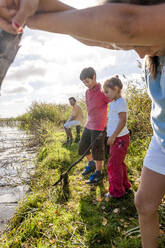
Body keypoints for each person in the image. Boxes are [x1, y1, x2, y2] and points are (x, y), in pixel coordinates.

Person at [0, 1, 165, 247]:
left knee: (107, 161)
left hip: (109, 132)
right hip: (160, 140)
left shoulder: (106, 85)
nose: (139, 54)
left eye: (138, 43)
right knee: (143, 203)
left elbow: (126, 26)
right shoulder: (152, 58)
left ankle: (103, 176)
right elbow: (99, 36)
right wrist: (36, 5)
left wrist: (23, 20)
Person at [79, 67, 110, 184]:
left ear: (94, 77)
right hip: (89, 124)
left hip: (99, 126)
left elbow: (112, 103)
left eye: (87, 81)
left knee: (97, 150)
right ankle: (91, 164)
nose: (86, 84)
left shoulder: (103, 91)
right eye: (83, 83)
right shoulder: (87, 92)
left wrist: (108, 123)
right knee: (82, 147)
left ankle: (98, 172)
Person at [103, 75, 131, 198]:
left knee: (113, 165)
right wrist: (107, 128)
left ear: (115, 89)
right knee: (119, 163)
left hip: (119, 139)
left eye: (107, 92)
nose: (105, 94)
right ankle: (124, 186)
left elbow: (122, 120)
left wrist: (113, 136)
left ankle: (116, 192)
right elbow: (114, 119)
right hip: (117, 138)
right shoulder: (114, 102)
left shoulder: (121, 102)